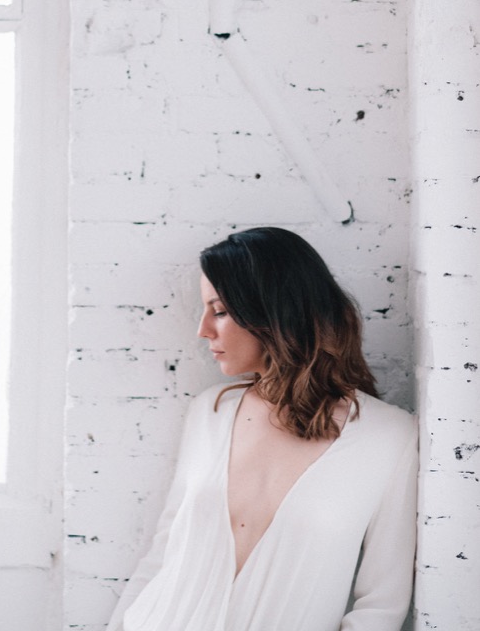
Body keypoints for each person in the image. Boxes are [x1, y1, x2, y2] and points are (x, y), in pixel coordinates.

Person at [106, 226, 418, 631]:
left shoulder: (389, 438)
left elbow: (381, 607)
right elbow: (162, 553)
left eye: (219, 311)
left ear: (271, 312)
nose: (203, 329)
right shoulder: (209, 414)